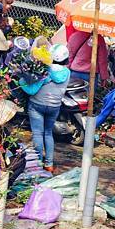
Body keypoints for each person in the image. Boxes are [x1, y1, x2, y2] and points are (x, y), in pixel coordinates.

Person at [20, 43, 70, 173]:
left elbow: (32, 87)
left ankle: (37, 163)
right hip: (55, 106)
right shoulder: (67, 72)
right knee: (48, 133)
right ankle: (49, 164)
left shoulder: (44, 69)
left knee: (37, 133)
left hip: (37, 104)